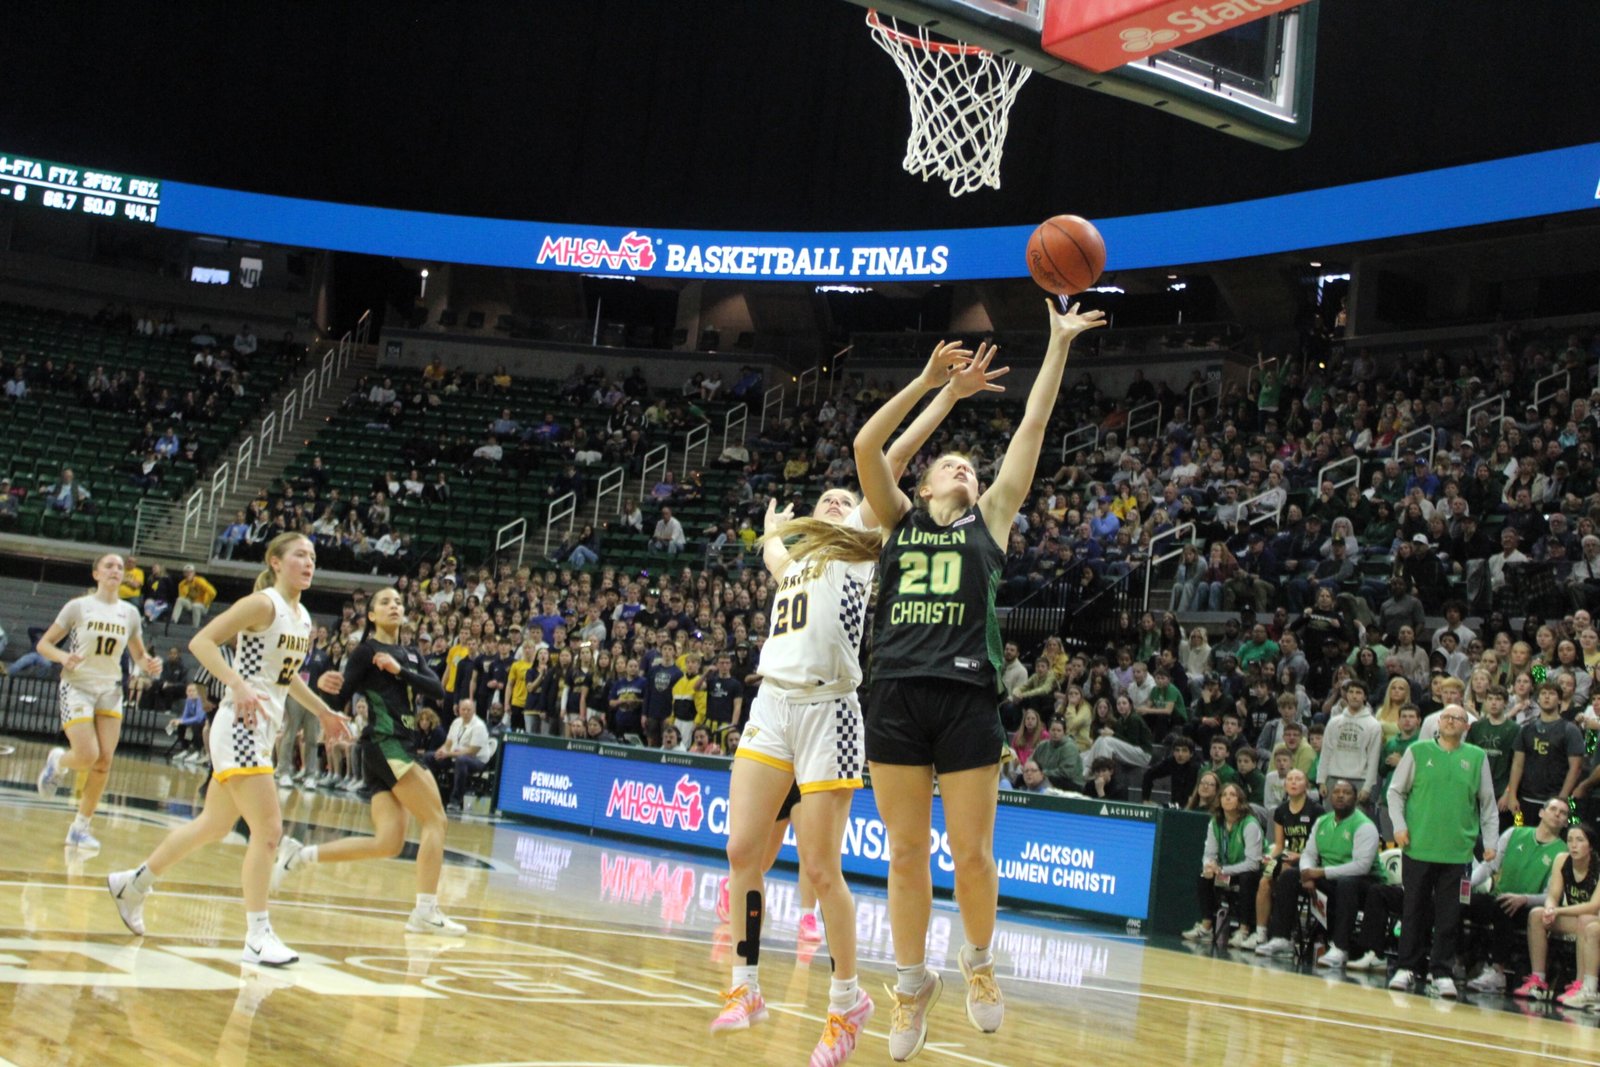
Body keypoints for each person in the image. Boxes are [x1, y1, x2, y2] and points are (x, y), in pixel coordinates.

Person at [854, 302, 1102, 1060]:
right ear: (926, 479)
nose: (967, 467)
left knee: (972, 853)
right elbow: (870, 446)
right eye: (951, 463)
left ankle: (980, 964)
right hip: (895, 687)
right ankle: (909, 983)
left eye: (971, 463)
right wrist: (939, 390)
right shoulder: (895, 517)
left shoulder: (991, 518)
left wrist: (1057, 344)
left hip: (965, 694)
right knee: (903, 853)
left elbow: (1029, 427)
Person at [713, 343, 973, 1062]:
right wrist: (771, 529)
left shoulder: (861, 537)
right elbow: (771, 550)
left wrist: (936, 391)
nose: (835, 501)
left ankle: (846, 998)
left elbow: (887, 454)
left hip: (831, 711)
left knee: (821, 869)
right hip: (772, 704)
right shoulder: (793, 559)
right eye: (824, 500)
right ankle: (745, 978)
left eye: (841, 496)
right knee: (741, 849)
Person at [107, 533, 352, 966]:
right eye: (300, 555)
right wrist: (236, 684)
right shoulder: (263, 604)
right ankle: (258, 935)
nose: (309, 562)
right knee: (270, 831)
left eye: (313, 556)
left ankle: (133, 883)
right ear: (275, 562)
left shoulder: (301, 616)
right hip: (238, 728)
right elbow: (203, 641)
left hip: (260, 732)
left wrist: (325, 712)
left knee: (213, 825)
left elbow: (286, 677)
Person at [273, 588, 466, 935]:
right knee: (436, 820)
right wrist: (322, 683)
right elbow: (341, 695)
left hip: (395, 747)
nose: (395, 606)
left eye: (398, 602)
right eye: (386, 602)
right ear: (372, 615)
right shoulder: (365, 651)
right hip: (385, 742)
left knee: (388, 842)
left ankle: (300, 855)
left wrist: (400, 670)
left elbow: (438, 692)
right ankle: (425, 910)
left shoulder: (409, 653)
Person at [34, 553, 163, 848]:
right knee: (87, 754)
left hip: (110, 689)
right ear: (96, 574)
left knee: (104, 761)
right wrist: (64, 656)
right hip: (77, 686)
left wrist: (150, 664)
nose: (116, 570)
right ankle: (58, 761)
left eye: (120, 567)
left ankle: (80, 828)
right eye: (109, 565)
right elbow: (44, 644)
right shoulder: (78, 607)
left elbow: (139, 655)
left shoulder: (129, 613)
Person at [1385, 704, 1499, 997]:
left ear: (1466, 726)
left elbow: (1487, 804)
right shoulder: (1419, 751)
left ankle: (1442, 972)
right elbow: (1395, 791)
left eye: (1457, 718)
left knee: (1449, 915)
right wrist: (1398, 825)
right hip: (1418, 847)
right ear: (1438, 723)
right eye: (1446, 717)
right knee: (1413, 910)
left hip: (1457, 853)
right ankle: (1406, 967)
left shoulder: (1476, 757)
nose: (1450, 722)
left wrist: (1491, 843)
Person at [1255, 778, 1380, 965]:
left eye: (1346, 793)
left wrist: (1319, 873)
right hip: (1327, 876)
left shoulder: (1365, 826)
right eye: (1337, 792)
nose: (1340, 796)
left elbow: (1361, 866)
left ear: (1355, 799)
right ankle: (1282, 938)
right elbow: (1308, 854)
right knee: (1289, 875)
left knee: (1347, 883)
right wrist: (1306, 873)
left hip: (1364, 882)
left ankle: (1340, 948)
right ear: (1330, 796)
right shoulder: (1322, 821)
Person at [1465, 796, 1570, 994]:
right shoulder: (1514, 833)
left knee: (1504, 907)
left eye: (1563, 813)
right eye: (1554, 809)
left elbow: (1550, 895)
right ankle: (1455, 960)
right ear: (1541, 812)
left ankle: (1498, 972)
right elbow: (1490, 866)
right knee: (1459, 901)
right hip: (1499, 896)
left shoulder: (1562, 852)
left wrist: (1525, 899)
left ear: (1565, 822)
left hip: (1529, 906)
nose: (1557, 814)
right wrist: (1467, 887)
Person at [1515, 821, 1600, 1004]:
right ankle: (1538, 980)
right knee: (1537, 915)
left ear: (1590, 845)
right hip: (1574, 918)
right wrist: (1549, 908)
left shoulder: (1598, 866)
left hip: (1594, 921)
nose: (1573, 845)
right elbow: (1553, 894)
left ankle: (1580, 984)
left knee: (1585, 920)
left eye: (1579, 840)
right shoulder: (1562, 860)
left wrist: (1558, 909)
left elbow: (1593, 907)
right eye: (1570, 840)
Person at [1180, 782, 1263, 945]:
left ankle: (1244, 930)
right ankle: (1206, 926)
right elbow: (1209, 853)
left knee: (1247, 878)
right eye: (1224, 795)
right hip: (1225, 872)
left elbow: (1253, 863)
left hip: (1247, 872)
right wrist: (1209, 866)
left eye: (1232, 795)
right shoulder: (1215, 823)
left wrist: (1223, 869)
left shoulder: (1250, 824)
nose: (1227, 798)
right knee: (1204, 876)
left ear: (1240, 801)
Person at [1251, 768, 1323, 955]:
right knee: (1265, 880)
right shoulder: (1280, 811)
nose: (1293, 782)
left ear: (1306, 785)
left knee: (1285, 873)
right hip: (1287, 856)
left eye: (1298, 779)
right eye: (1289, 779)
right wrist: (1270, 857)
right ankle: (1260, 933)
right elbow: (1279, 844)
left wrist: (1299, 857)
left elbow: (1321, 847)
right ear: (1284, 785)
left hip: (1309, 860)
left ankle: (1284, 934)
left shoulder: (1316, 810)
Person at [424, 699, 496, 813]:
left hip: (477, 761)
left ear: (474, 710)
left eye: (469, 710)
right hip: (454, 756)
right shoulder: (456, 722)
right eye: (463, 709)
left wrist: (448, 754)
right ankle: (434, 795)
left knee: (461, 761)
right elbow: (448, 744)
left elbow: (472, 752)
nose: (466, 712)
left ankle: (455, 801)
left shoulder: (479, 726)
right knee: (429, 756)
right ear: (459, 710)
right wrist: (440, 752)